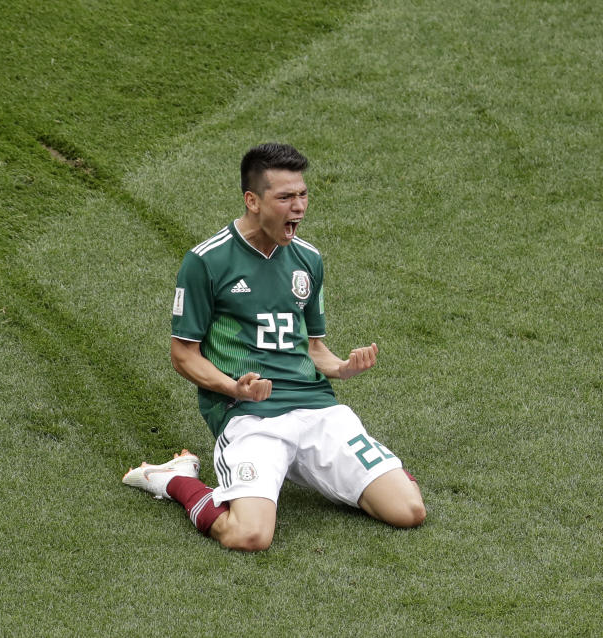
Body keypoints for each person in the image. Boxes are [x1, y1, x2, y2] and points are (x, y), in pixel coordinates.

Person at [123, 143, 425, 551]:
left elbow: (314, 348)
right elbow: (183, 355)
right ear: (252, 201)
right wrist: (233, 388)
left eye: (302, 195)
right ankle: (176, 478)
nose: (298, 207)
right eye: (285, 197)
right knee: (250, 536)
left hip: (317, 409)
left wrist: (342, 368)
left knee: (409, 511)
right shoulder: (206, 262)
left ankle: (323, 465)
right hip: (250, 415)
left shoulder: (308, 259)